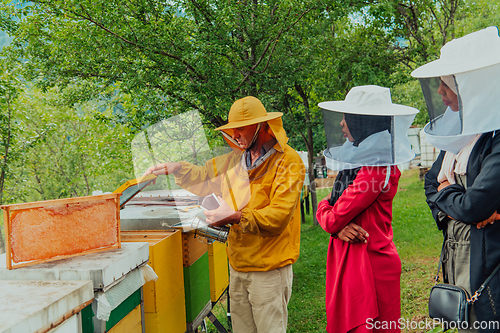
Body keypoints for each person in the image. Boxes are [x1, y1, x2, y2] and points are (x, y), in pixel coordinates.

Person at [144, 96, 305, 333]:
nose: (235, 135)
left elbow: (278, 217)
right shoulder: (235, 161)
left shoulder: (288, 162)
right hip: (238, 266)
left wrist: (236, 216)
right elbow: (203, 177)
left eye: (240, 128)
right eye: (232, 130)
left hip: (269, 271)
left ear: (261, 126)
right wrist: (177, 167)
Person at [412, 26, 500, 332]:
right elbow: (429, 182)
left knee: (482, 322)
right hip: (456, 250)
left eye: (446, 84)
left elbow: (476, 205)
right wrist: (451, 206)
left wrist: (448, 192)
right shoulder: (461, 134)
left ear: (471, 86)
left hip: (487, 257)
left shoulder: (496, 137)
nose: (439, 92)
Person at [316, 85, 419, 332]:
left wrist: (332, 221)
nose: (341, 123)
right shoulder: (359, 157)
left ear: (362, 122)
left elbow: (333, 215)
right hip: (351, 258)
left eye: (347, 117)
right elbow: (330, 209)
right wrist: (335, 225)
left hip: (369, 264)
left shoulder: (377, 166)